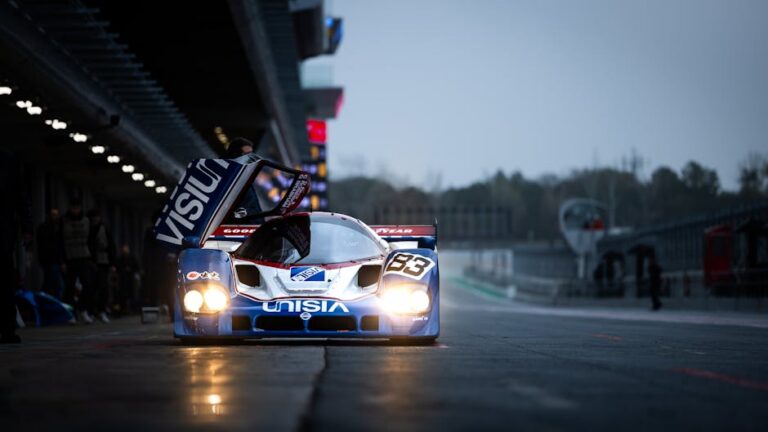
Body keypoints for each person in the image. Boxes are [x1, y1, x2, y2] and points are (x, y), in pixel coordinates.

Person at [0, 150, 32, 343]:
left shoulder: (9, 160)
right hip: (5, 231)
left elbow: (21, 196)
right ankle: (7, 328)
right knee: (5, 281)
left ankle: (7, 327)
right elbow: (22, 197)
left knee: (5, 281)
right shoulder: (9, 160)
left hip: (4, 232)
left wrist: (27, 227)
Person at [62, 198, 95, 324]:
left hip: (84, 256)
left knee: (88, 284)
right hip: (70, 258)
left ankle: (82, 309)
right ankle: (70, 313)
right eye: (73, 207)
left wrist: (91, 257)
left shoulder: (86, 221)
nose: (75, 210)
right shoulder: (64, 221)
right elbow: (60, 240)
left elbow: (91, 239)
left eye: (77, 207)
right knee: (69, 287)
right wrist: (62, 260)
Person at [88, 209, 115, 323]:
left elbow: (111, 246)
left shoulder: (104, 229)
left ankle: (101, 310)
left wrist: (112, 263)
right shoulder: (88, 229)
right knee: (92, 288)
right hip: (91, 261)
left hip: (103, 262)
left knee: (103, 288)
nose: (96, 219)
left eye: (97, 217)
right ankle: (92, 311)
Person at [37, 208, 66, 299]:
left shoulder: (58, 228)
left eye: (56, 214)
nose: (55, 217)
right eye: (53, 214)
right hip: (51, 260)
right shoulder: (48, 229)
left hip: (53, 261)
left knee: (50, 284)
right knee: (56, 285)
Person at [115, 244, 140, 316]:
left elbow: (136, 267)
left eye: (126, 249)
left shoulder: (132, 258)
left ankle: (132, 309)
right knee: (123, 295)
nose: (125, 250)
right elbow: (118, 267)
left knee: (132, 294)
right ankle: (124, 309)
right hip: (123, 280)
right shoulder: (120, 259)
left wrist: (131, 270)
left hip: (131, 279)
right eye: (124, 249)